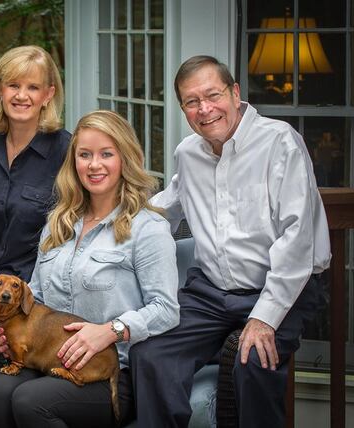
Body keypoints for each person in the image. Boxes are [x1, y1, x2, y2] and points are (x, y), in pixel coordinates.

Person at [130, 55, 331, 428]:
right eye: (192, 101)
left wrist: (264, 319)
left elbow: (298, 241)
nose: (204, 109)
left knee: (254, 360)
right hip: (210, 293)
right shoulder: (189, 153)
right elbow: (165, 209)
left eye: (213, 95)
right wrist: (108, 222)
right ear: (183, 109)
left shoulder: (280, 142)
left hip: (282, 287)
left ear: (235, 93)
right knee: (150, 353)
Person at [0, 110, 180, 428]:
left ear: (125, 159)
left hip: (110, 371)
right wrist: (6, 329)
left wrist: (110, 331)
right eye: (84, 155)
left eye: (106, 154)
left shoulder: (149, 228)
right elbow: (37, 299)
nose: (94, 165)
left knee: (30, 402)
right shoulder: (58, 224)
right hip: (50, 360)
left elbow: (167, 310)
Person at [0, 45, 70, 337]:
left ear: (48, 94)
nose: (21, 96)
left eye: (33, 87)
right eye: (13, 85)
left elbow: (73, 232)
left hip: (31, 289)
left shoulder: (66, 151)